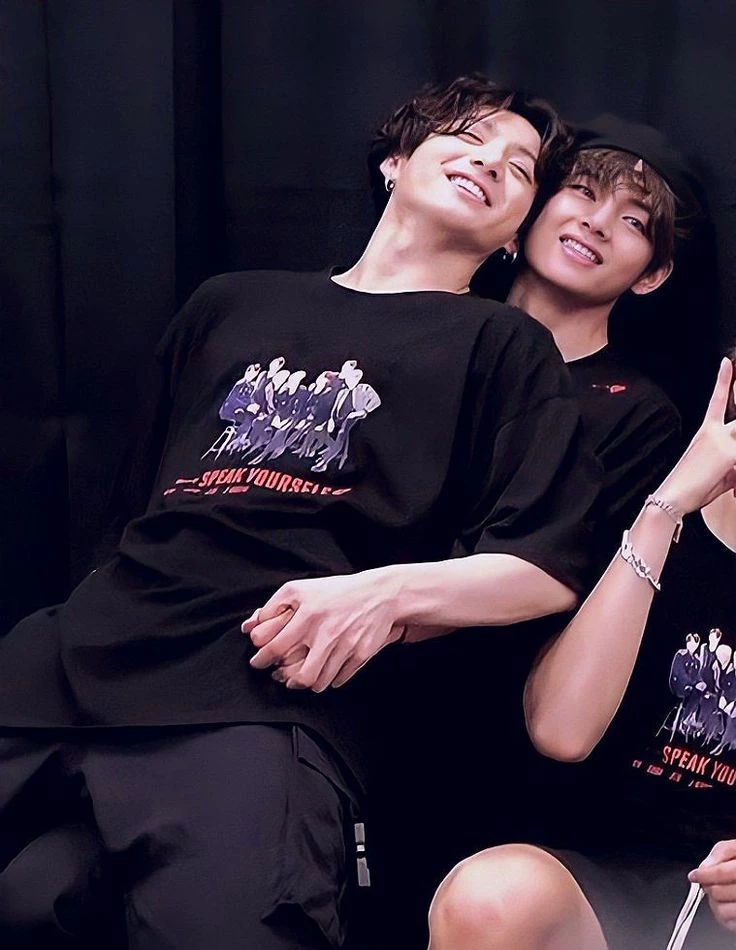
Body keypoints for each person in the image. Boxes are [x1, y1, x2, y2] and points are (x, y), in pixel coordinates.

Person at [0, 75, 600, 949]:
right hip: (66, 665)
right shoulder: (228, 303)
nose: (489, 164)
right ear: (395, 161)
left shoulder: (503, 346)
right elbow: (132, 509)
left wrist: (385, 594)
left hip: (260, 692)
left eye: (519, 168)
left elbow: (545, 567)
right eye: (468, 138)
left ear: (515, 233)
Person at [426, 356, 736, 950]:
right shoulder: (646, 492)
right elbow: (561, 731)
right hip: (595, 871)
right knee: (491, 901)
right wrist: (664, 511)